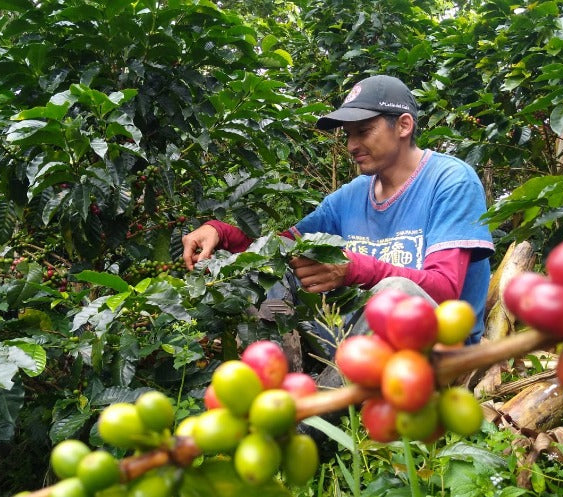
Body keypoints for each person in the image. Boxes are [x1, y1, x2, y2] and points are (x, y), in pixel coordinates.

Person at [182, 74, 494, 347]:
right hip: (356, 345)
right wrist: (220, 232)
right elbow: (279, 250)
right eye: (348, 134)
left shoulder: (451, 181)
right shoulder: (350, 196)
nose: (351, 145)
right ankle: (285, 375)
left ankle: (328, 402)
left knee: (397, 292)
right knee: (270, 271)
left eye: (364, 131)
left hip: (437, 349)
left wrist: (354, 269)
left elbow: (444, 290)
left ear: (403, 125)